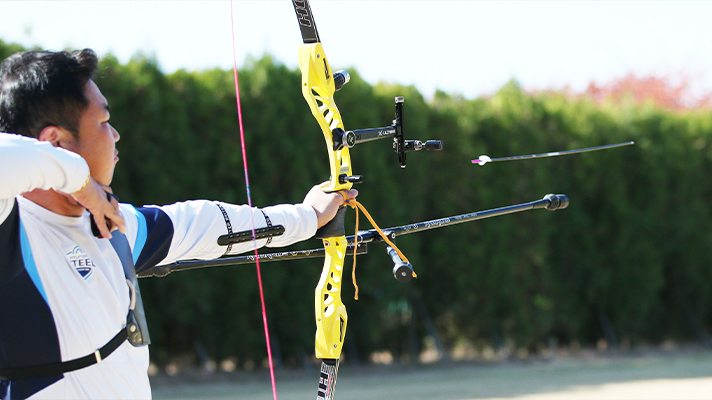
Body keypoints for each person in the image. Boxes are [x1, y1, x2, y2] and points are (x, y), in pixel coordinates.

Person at [0, 48, 356, 399]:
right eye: (104, 122)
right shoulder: (11, 229)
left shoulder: (115, 227)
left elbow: (203, 224)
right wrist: (80, 181)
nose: (116, 135)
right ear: (56, 142)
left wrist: (307, 217)